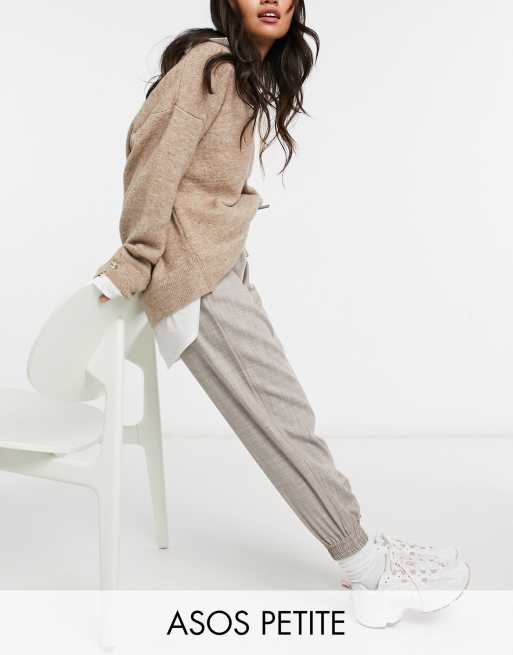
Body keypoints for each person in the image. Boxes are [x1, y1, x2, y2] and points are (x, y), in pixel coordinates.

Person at [92, 0, 471, 629]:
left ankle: (362, 554)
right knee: (282, 420)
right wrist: (136, 260)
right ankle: (367, 567)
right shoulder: (210, 66)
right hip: (194, 273)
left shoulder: (245, 73)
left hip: (219, 261)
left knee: (285, 413)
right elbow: (152, 161)